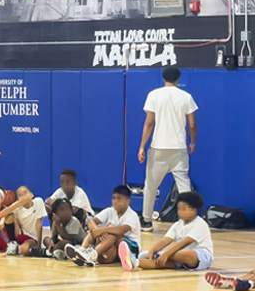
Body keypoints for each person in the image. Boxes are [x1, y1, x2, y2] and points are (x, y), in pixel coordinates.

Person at [138, 67, 197, 230]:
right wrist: (192, 142)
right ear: (178, 78)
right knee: (184, 185)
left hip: (158, 147)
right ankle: (190, 220)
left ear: (163, 78)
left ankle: (147, 220)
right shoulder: (186, 97)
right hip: (179, 148)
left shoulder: (154, 95)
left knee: (151, 185)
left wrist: (142, 146)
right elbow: (192, 124)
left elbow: (149, 123)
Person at [135, 191, 214, 271]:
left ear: (194, 210)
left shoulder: (200, 224)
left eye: (183, 209)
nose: (180, 212)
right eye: (178, 209)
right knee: (146, 256)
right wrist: (151, 252)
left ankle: (160, 256)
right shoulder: (177, 224)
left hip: (199, 256)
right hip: (178, 256)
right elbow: (164, 241)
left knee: (186, 254)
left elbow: (184, 243)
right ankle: (134, 263)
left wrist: (166, 254)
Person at [71, 184, 141, 268]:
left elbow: (121, 230)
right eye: (114, 198)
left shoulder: (132, 215)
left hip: (131, 249)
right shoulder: (109, 211)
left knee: (113, 235)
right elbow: (91, 221)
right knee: (93, 232)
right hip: (115, 247)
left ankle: (92, 255)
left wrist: (101, 231)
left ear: (128, 201)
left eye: (119, 199)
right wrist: (96, 230)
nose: (115, 201)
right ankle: (82, 251)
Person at [45, 197, 88, 262]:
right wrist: (51, 242)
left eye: (68, 209)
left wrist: (58, 226)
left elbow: (69, 239)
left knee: (63, 243)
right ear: (55, 213)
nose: (66, 212)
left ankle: (49, 252)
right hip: (68, 243)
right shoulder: (56, 221)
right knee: (46, 239)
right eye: (62, 210)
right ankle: (55, 251)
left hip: (79, 244)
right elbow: (54, 236)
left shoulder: (74, 221)